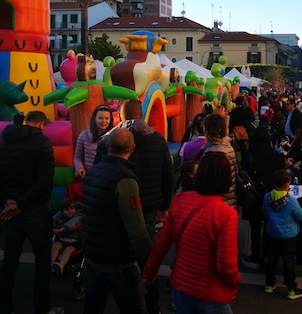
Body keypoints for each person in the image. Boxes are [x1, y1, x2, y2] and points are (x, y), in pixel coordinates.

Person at [95, 99, 172, 314]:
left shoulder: (109, 140)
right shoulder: (157, 139)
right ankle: (152, 304)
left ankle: (119, 292)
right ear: (142, 114)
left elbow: (98, 172)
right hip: (147, 206)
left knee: (116, 255)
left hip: (113, 209)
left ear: (120, 115)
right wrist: (164, 204)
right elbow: (167, 175)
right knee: (148, 259)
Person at [0, 111, 64, 314]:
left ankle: (4, 307)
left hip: (9, 212)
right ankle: (42, 308)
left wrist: (6, 202)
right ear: (41, 124)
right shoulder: (42, 142)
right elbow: (45, 178)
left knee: (9, 260)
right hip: (35, 210)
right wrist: (21, 203)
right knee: (42, 260)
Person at [141, 152, 241, 313]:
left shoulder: (180, 200)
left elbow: (161, 244)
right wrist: (235, 280)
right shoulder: (226, 214)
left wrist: (147, 274)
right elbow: (226, 265)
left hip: (180, 288)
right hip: (211, 294)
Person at [82, 128, 152, 313]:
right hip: (118, 260)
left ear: (106, 145)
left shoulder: (93, 172)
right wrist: (149, 258)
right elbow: (136, 228)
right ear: (133, 147)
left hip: (93, 253)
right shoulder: (126, 180)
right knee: (133, 308)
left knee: (93, 306)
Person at [241, 127, 286, 269]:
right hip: (270, 195)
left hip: (253, 195)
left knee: (254, 227)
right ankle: (267, 254)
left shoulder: (248, 155)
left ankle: (255, 256)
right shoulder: (275, 155)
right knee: (268, 225)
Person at [262, 169, 302, 300]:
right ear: (287, 185)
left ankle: (269, 284)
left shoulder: (266, 197)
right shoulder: (291, 201)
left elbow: (264, 212)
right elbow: (301, 216)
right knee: (289, 261)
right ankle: (291, 289)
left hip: (272, 233)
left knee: (272, 259)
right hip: (289, 236)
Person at [200, 112, 239, 209]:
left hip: (218, 203)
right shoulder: (227, 146)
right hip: (230, 199)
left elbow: (210, 182)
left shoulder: (215, 153)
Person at [73, 105, 113, 177]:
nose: (104, 121)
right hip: (88, 175)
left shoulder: (113, 136)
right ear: (95, 118)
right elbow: (77, 157)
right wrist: (79, 167)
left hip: (106, 176)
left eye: (107, 118)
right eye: (100, 118)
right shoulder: (83, 135)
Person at [51, 199, 83, 275]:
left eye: (72, 209)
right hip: (62, 239)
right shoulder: (58, 216)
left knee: (67, 251)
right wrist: (52, 228)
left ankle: (61, 265)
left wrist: (62, 229)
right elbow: (51, 221)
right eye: (66, 209)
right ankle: (52, 263)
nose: (70, 211)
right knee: (55, 246)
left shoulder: (78, 216)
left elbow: (73, 224)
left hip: (74, 240)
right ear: (62, 211)